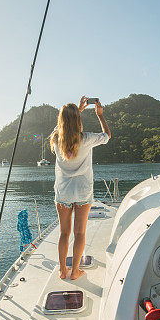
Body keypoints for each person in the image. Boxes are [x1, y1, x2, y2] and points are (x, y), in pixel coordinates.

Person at [50, 97, 111, 280]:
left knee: (63, 233)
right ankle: (75, 271)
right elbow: (107, 136)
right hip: (83, 192)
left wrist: (77, 110)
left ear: (61, 120)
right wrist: (100, 116)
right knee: (80, 233)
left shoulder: (55, 139)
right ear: (78, 120)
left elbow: (59, 128)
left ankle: (62, 270)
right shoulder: (86, 139)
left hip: (63, 193)